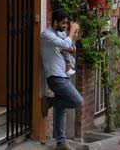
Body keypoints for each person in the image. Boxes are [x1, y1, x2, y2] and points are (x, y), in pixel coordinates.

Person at [40, 9, 83, 150]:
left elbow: (71, 47)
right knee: (77, 101)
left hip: (63, 74)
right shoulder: (47, 35)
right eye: (63, 23)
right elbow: (66, 44)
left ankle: (61, 142)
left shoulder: (60, 34)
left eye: (66, 23)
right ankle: (49, 101)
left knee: (61, 109)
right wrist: (71, 32)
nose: (65, 26)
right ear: (55, 21)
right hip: (55, 76)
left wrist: (70, 42)